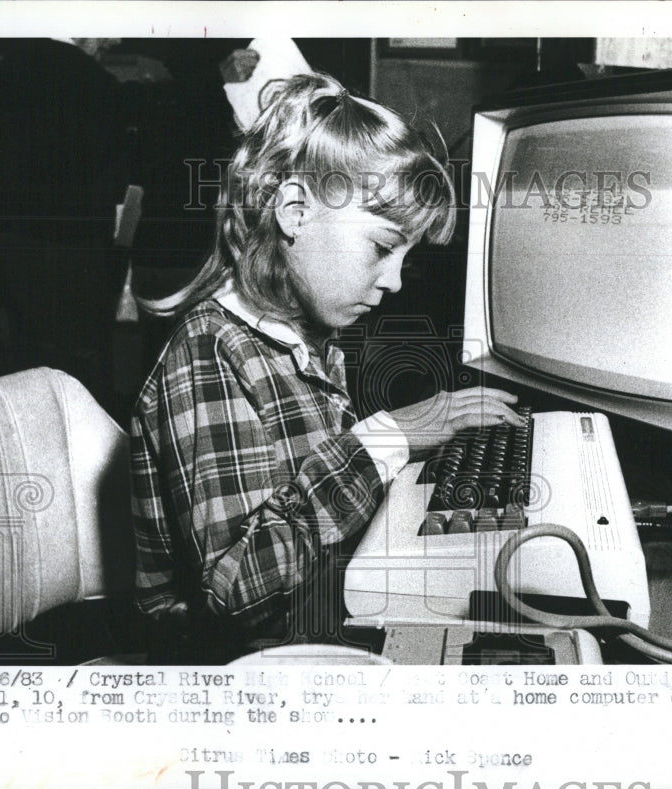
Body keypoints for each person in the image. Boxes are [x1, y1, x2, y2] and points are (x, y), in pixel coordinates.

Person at [130, 72, 524, 661]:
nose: (393, 281)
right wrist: (386, 439)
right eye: (382, 247)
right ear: (294, 212)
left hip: (307, 618)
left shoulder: (306, 342)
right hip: (224, 661)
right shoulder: (209, 351)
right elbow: (234, 588)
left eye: (405, 261)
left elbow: (314, 509)